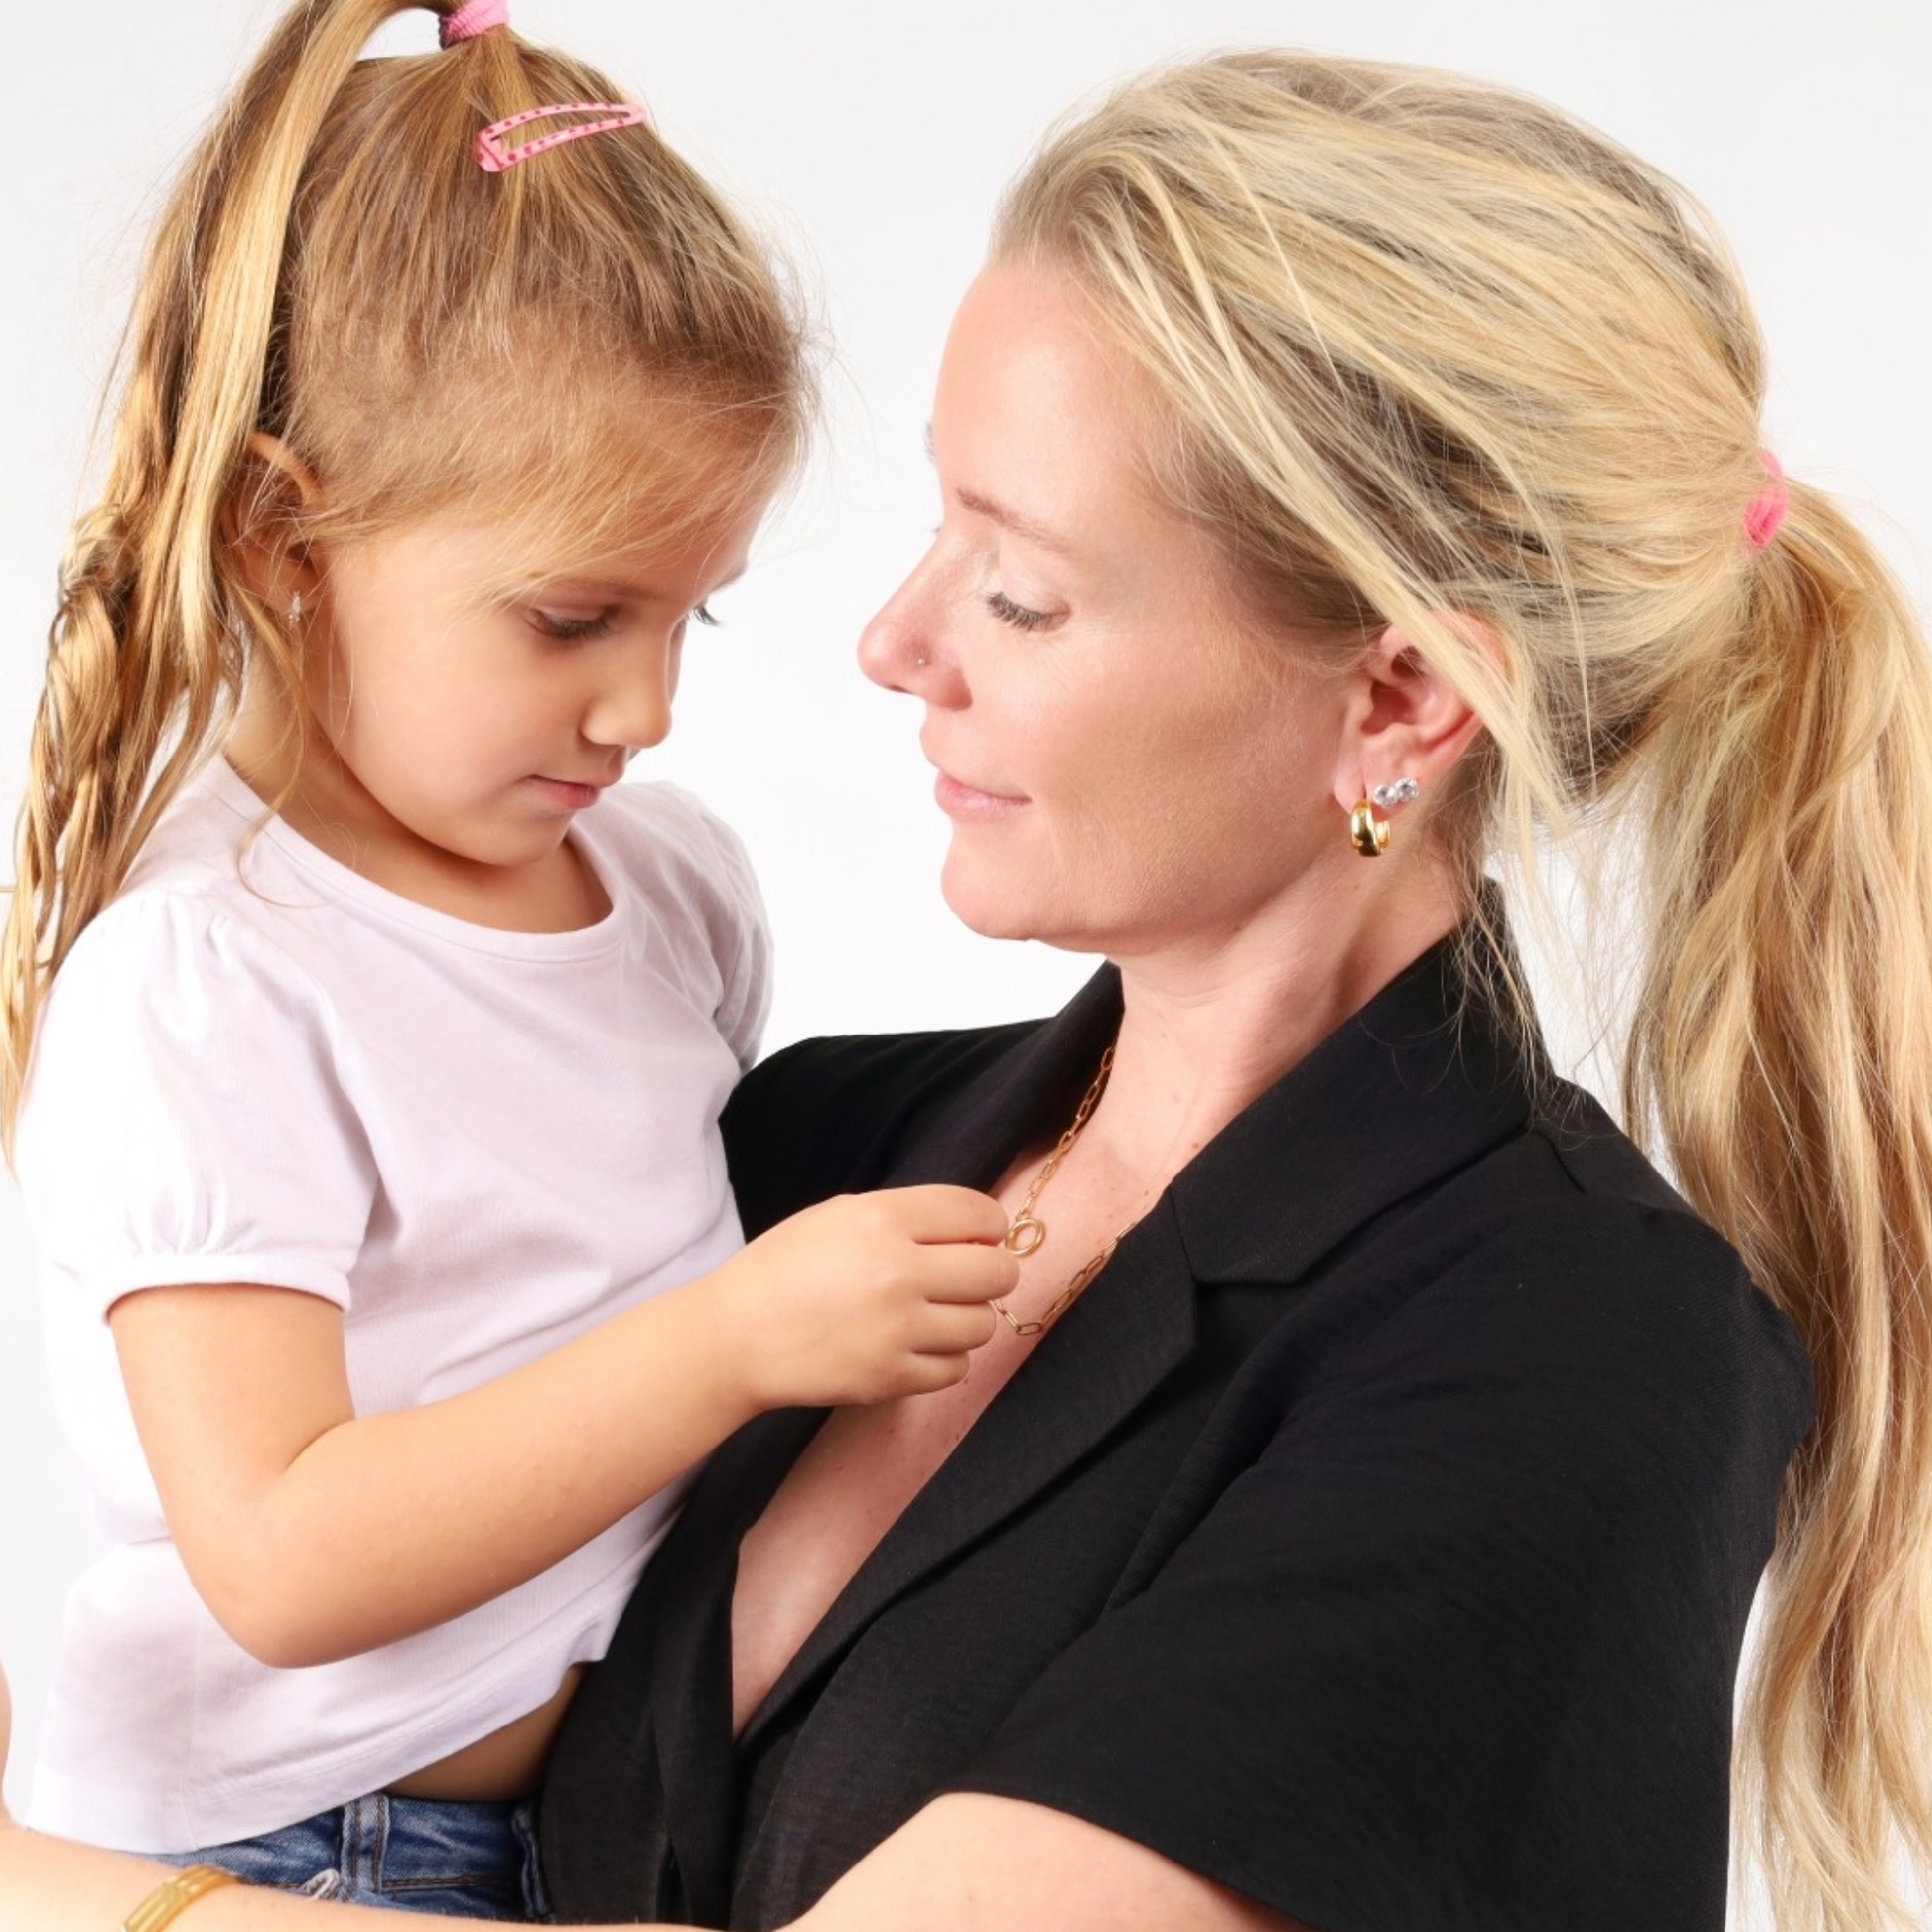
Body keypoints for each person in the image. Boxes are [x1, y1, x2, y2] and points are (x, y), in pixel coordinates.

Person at [4, 40, 1931, 1932]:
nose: (887, 639)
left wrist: (75, 1896)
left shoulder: (1579, 1354)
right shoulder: (806, 1146)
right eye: (930, 522)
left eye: (1015, 585)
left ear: (1402, 697)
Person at [0, 0, 1019, 1915]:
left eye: (685, 618)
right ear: (285, 539)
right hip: (285, 1856)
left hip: (599, 1812)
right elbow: (284, 1557)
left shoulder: (672, 888)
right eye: (570, 618)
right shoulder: (215, 977)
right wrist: (730, 1345)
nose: (638, 705)